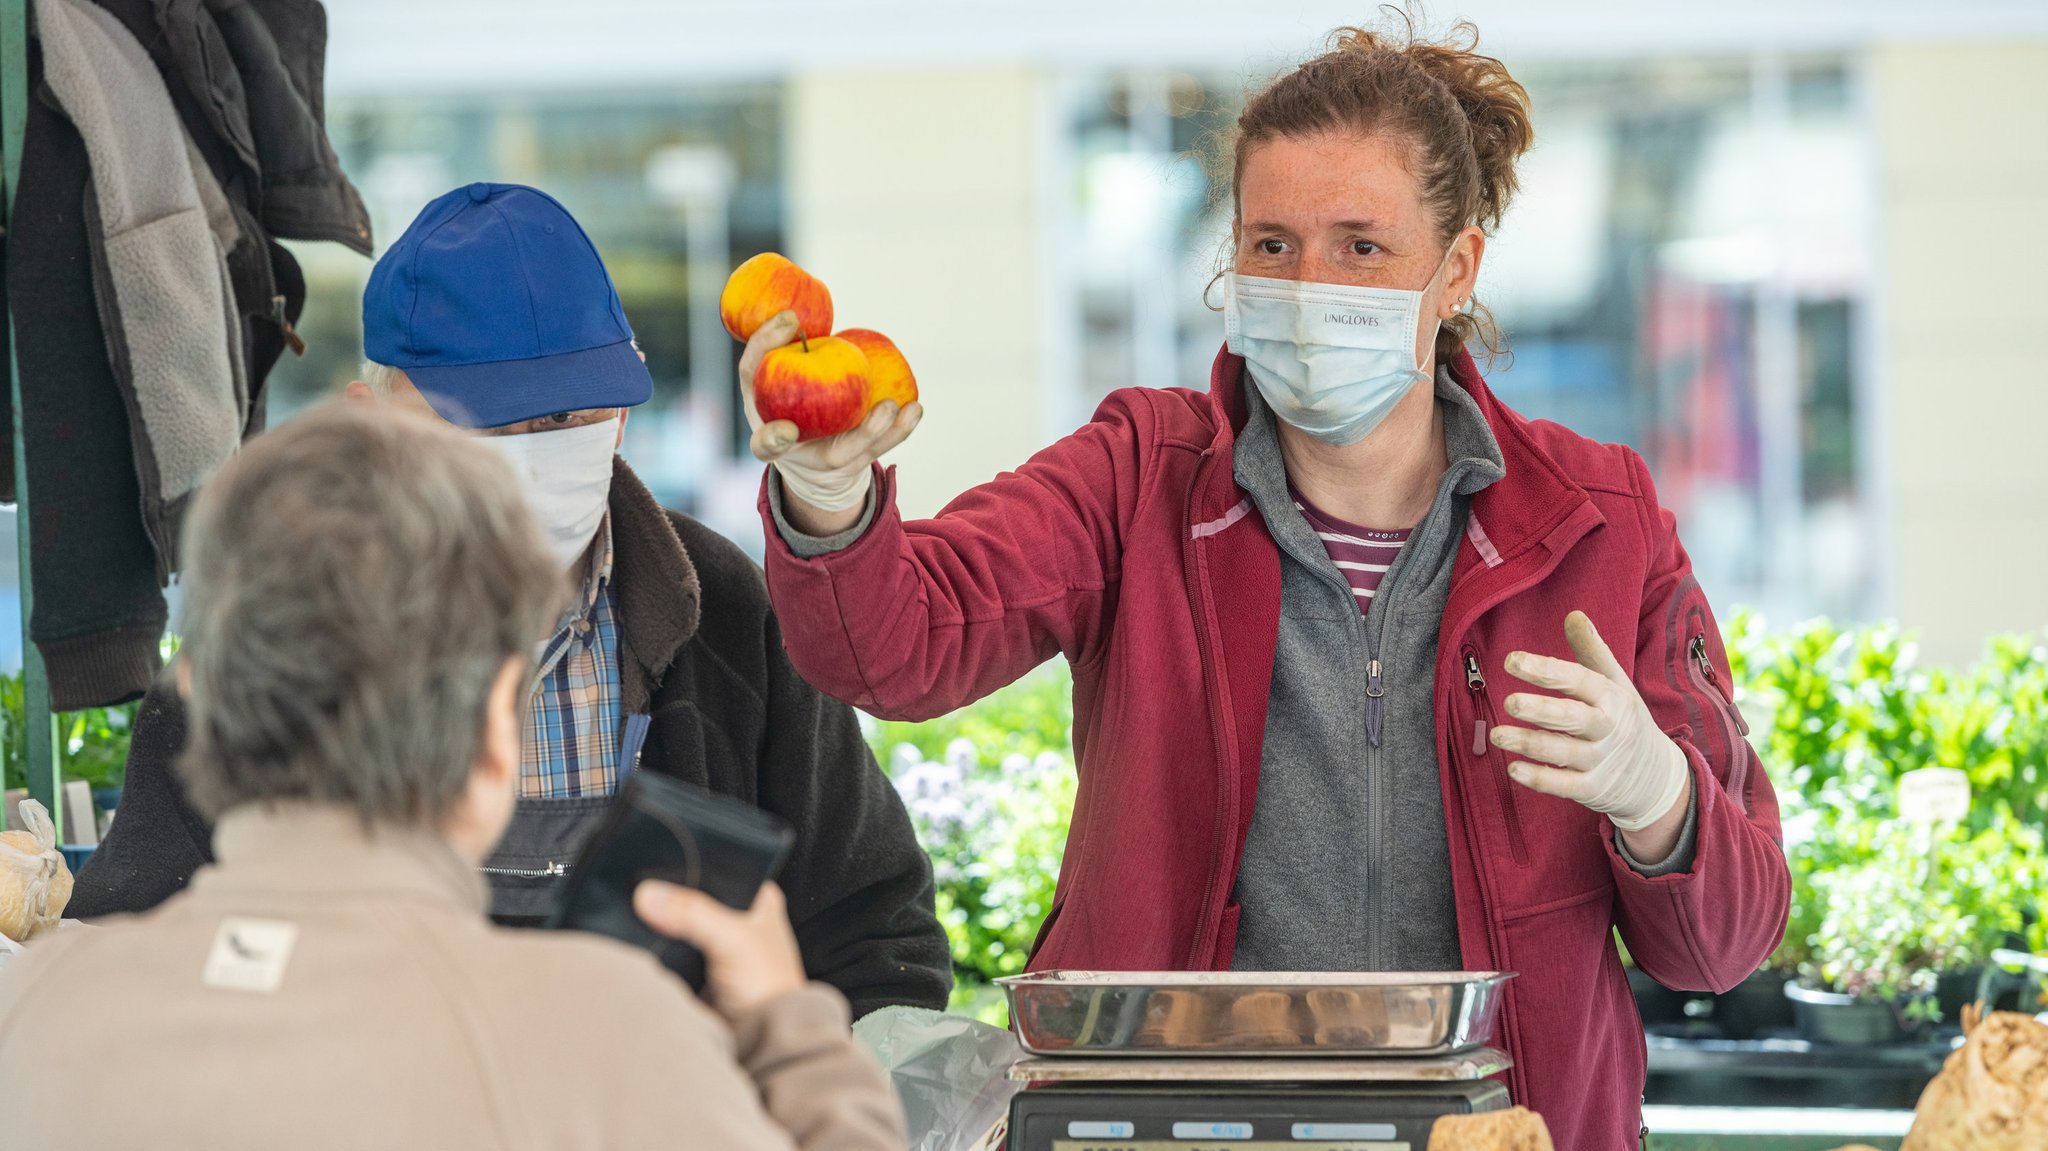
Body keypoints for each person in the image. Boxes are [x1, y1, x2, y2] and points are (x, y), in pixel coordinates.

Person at [744, 21, 1789, 1149]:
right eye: (1272, 244)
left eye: (1360, 247)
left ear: (1457, 270)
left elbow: (1721, 944)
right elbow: (895, 643)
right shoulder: (1140, 475)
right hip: (1168, 1122)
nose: (1307, 287)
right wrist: (832, 501)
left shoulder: (1599, 523)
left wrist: (1657, 796)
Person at [69, 182, 949, 1018]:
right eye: (488, 423)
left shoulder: (721, 608)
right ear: (371, 418)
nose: (536, 452)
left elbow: (876, 938)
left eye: (571, 416)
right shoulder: (270, 636)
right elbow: (131, 957)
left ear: (623, 415)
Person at [0, 403, 906, 1151]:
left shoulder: (29, 1015)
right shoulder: (614, 1041)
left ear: (194, 690)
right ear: (496, 724)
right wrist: (792, 1031)